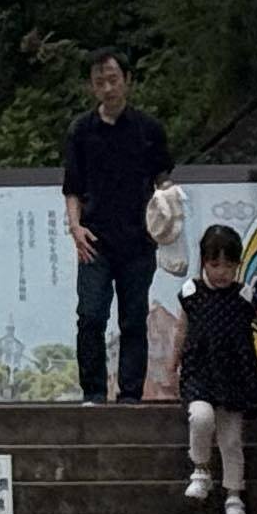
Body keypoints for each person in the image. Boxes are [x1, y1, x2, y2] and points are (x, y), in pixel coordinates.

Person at [60, 47, 173, 403]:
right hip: (94, 238)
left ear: (127, 81)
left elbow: (163, 183)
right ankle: (92, 393)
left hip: (139, 240)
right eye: (99, 82)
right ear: (91, 88)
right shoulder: (81, 131)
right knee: (90, 316)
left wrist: (168, 218)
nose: (108, 88)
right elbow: (72, 189)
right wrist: (75, 228)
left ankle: (129, 395)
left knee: (134, 318)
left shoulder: (149, 130)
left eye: (113, 79)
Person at [177, 222, 257, 514]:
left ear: (238, 265)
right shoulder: (190, 292)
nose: (221, 272)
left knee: (232, 439)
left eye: (229, 265)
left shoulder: (244, 294)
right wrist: (173, 364)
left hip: (235, 373)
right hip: (199, 370)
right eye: (214, 264)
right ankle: (201, 469)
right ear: (204, 261)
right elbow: (182, 331)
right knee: (201, 417)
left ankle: (234, 496)